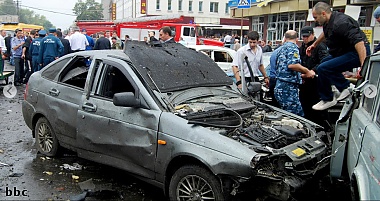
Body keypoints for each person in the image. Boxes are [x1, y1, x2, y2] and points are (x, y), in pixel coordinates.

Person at [307, 2, 371, 110]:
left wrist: (363, 66)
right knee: (321, 65)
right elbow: (325, 33)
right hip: (344, 51)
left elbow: (359, 43)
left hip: (357, 52)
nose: (314, 20)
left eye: (315, 17)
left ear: (323, 13)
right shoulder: (328, 22)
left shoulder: (341, 23)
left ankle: (334, 95)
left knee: (324, 68)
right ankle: (338, 88)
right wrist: (314, 44)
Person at [274, 30, 314, 116]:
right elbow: (292, 65)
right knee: (296, 116)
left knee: (286, 114)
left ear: (285, 38)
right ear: (297, 38)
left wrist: (300, 76)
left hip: (280, 85)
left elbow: (284, 69)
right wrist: (308, 71)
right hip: (288, 88)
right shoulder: (293, 47)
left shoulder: (280, 49)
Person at [299, 26, 330, 129]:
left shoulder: (320, 46)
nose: (305, 38)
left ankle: (323, 128)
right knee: (306, 106)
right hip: (304, 82)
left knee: (318, 108)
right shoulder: (302, 47)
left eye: (307, 36)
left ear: (312, 34)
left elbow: (325, 61)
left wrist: (313, 70)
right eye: (303, 37)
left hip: (316, 81)